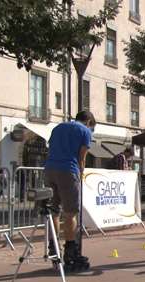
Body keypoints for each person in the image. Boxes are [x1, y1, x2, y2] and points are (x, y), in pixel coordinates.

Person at [44, 110, 96, 268]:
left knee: (53, 210)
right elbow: (82, 157)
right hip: (68, 170)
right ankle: (70, 251)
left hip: (50, 169)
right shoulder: (85, 131)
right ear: (88, 122)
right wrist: (81, 174)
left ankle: (53, 246)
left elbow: (50, 147)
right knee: (70, 212)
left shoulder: (58, 127)